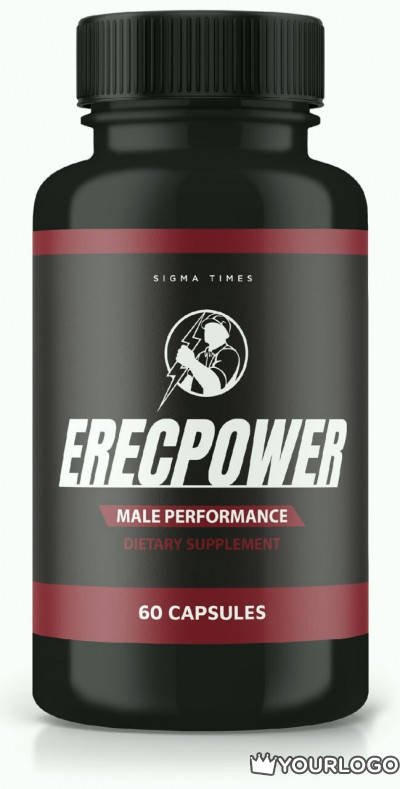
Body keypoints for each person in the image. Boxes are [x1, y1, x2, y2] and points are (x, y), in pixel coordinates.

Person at [176, 314, 240, 396]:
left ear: (225, 334)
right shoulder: (201, 355)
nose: (207, 331)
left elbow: (215, 386)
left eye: (213, 328)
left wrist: (191, 362)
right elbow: (188, 381)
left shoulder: (229, 354)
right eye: (207, 328)